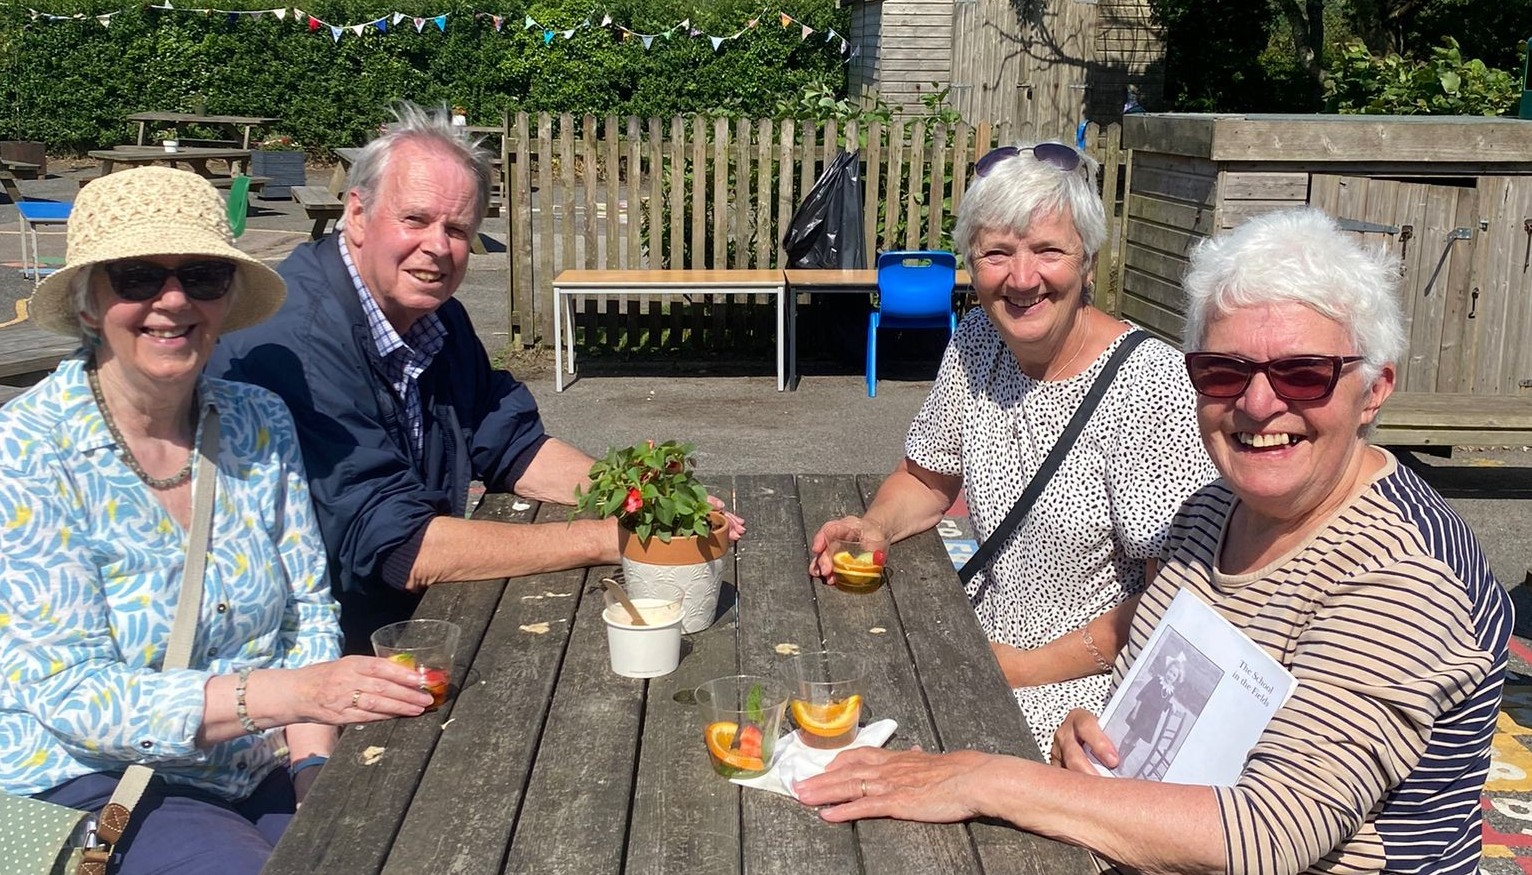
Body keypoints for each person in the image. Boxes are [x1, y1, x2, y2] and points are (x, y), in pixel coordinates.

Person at [795, 207, 1512, 875]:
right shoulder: (1212, 510)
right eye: (1224, 371)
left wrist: (992, 777)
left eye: (1301, 373)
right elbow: (1144, 692)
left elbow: (1272, 831)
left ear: (1375, 389)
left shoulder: (1405, 574)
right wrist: (1088, 732)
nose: (1259, 403)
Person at [0, 167, 436, 875]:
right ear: (87, 303)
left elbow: (307, 618)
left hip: (254, 762)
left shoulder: (258, 420)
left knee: (393, 840)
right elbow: (71, 693)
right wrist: (295, 693)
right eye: (136, 276)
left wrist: (314, 767)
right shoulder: (26, 448)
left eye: (201, 275)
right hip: (94, 776)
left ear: (226, 296)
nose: (172, 300)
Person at [210, 103, 741, 651]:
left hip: (406, 618)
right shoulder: (300, 341)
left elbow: (510, 442)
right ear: (358, 215)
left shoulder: (433, 314)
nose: (438, 247)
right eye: (415, 219)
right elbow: (401, 549)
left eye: (458, 228)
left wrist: (643, 499)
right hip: (318, 653)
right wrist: (612, 537)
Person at [808, 141, 1215, 749]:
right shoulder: (978, 338)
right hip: (980, 637)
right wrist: (875, 526)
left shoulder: (1152, 387)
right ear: (972, 262)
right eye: (997, 253)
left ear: (1088, 262)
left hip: (1079, 687)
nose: (1022, 279)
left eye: (1048, 250)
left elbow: (1171, 601)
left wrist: (1014, 668)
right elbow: (928, 478)